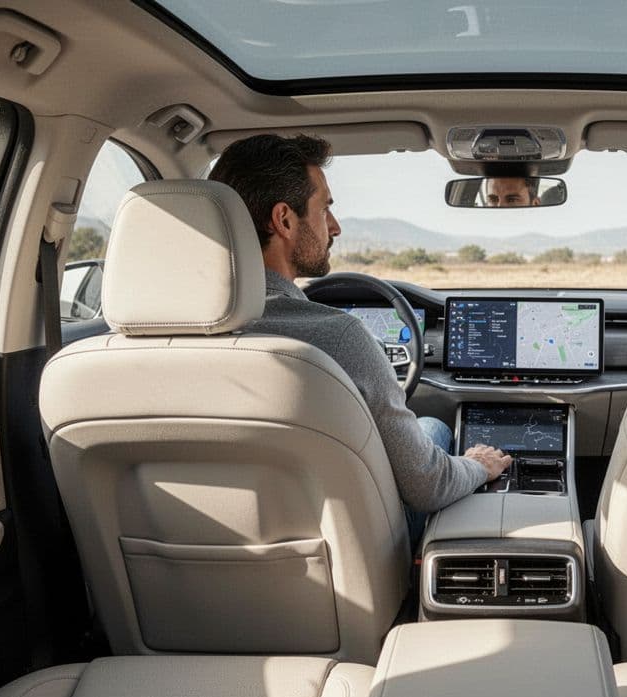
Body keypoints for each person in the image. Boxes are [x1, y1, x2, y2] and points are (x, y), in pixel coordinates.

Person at [208, 133, 511, 542]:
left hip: (177, 571)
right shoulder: (338, 336)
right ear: (283, 220)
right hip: (338, 570)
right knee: (430, 429)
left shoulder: (121, 349)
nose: (334, 226)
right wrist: (478, 464)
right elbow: (428, 485)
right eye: (325, 207)